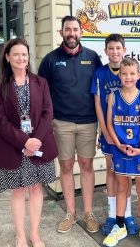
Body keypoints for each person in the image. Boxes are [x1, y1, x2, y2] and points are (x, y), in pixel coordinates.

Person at [0, 38, 58, 247]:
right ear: (8, 57)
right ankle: (20, 235)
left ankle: (35, 234)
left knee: (37, 189)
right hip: (13, 146)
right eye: (16, 54)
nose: (21, 58)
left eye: (24, 54)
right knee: (18, 190)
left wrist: (35, 141)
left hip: (39, 144)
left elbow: (48, 113)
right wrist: (24, 142)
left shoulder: (40, 82)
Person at [38, 15, 102, 234]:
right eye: (68, 29)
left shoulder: (93, 58)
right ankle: (70, 213)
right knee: (66, 166)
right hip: (61, 123)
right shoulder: (50, 60)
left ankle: (88, 212)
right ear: (61, 33)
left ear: (81, 33)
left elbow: (101, 89)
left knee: (86, 166)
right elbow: (41, 93)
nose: (71, 33)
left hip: (88, 122)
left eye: (75, 29)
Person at [103, 58, 140, 247]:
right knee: (121, 187)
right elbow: (109, 124)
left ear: (138, 75)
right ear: (120, 74)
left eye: (132, 73)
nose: (128, 77)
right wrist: (118, 145)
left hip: (139, 149)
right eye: (124, 73)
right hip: (120, 148)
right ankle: (120, 226)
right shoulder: (113, 96)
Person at [90, 34, 139, 236]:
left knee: (125, 174)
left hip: (128, 134)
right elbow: (98, 104)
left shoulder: (133, 73)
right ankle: (112, 215)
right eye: (111, 48)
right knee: (111, 171)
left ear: (124, 50)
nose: (115, 52)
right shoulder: (100, 73)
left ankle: (126, 214)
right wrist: (106, 131)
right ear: (106, 50)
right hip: (110, 134)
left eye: (118, 48)